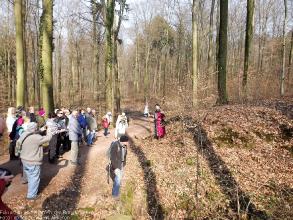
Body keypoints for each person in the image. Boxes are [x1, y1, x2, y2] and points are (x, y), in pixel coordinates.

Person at [16, 122, 52, 200]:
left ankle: (29, 186)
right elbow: (48, 138)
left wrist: (43, 128)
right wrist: (49, 130)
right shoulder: (36, 137)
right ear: (35, 129)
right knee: (34, 178)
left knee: (29, 175)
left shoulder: (24, 134)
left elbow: (35, 131)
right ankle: (31, 195)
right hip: (33, 161)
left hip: (24, 159)